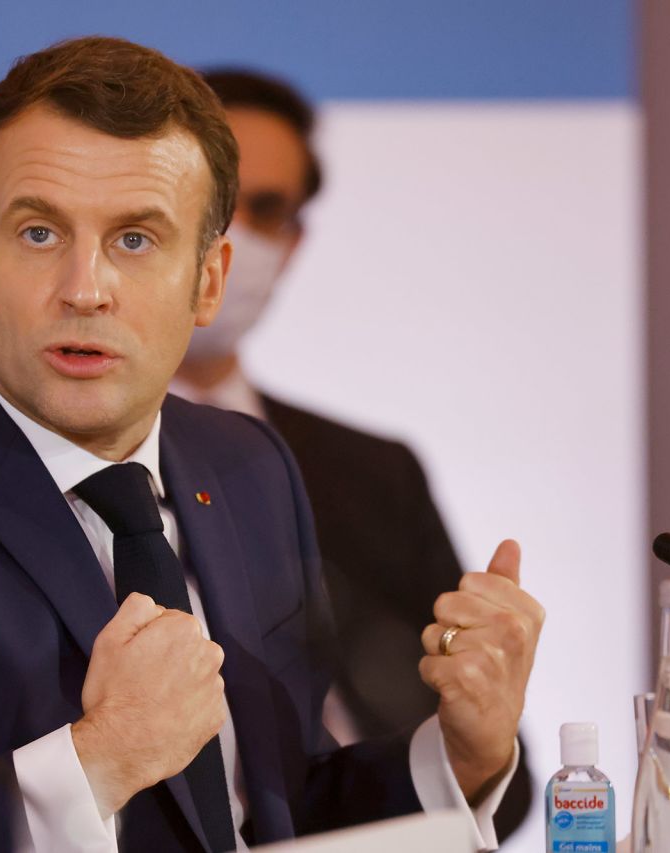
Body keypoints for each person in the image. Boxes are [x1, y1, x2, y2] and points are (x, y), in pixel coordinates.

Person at [0, 37, 544, 852]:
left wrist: (459, 756)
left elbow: (276, 805)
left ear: (206, 279)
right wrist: (96, 761)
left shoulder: (250, 469)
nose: (85, 288)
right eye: (38, 232)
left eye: (135, 239)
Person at [168, 70, 534, 838]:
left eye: (266, 211)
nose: (232, 239)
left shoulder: (373, 473)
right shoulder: (39, 458)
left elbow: (492, 769)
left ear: (294, 242)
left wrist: (477, 742)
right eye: (216, 199)